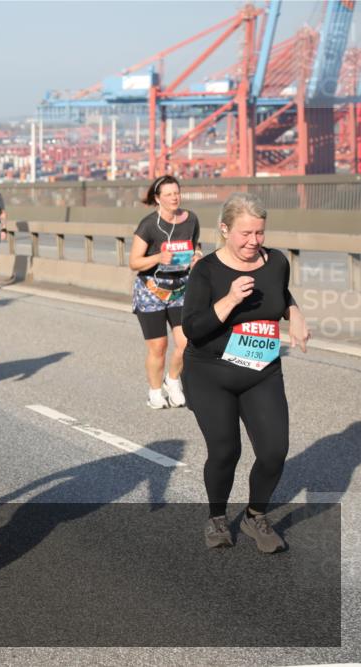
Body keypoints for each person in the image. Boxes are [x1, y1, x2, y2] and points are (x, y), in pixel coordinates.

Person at [182, 192, 309, 553]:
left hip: (261, 370)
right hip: (211, 372)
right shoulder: (206, 270)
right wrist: (230, 299)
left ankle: (255, 516)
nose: (253, 242)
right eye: (245, 234)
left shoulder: (277, 261)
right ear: (224, 230)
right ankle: (218, 518)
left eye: (259, 233)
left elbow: (280, 293)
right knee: (226, 451)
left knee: (274, 450)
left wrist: (294, 313)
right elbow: (193, 327)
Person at [129, 175, 201, 409]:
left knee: (186, 342)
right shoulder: (149, 225)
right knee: (158, 346)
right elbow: (134, 262)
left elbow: (195, 245)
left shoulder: (191, 220)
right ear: (158, 199)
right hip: (151, 290)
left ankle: (172, 380)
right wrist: (159, 257)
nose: (174, 198)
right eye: (168, 194)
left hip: (180, 288)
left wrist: (197, 256)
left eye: (176, 193)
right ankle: (155, 392)